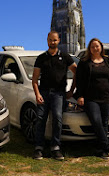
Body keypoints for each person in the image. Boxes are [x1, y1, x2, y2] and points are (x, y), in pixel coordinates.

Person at [32, 31, 77, 160]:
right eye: (50, 40)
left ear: (59, 41)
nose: (52, 42)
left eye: (55, 40)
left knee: (57, 119)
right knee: (40, 119)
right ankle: (39, 148)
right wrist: (37, 94)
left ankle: (55, 147)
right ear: (47, 41)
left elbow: (77, 73)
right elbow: (34, 79)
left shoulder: (65, 56)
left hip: (59, 93)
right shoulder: (41, 58)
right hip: (44, 93)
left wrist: (71, 90)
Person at [75, 38, 109, 159]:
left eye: (97, 46)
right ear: (90, 49)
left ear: (101, 47)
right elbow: (79, 80)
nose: (95, 48)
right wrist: (80, 95)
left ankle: (102, 150)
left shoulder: (107, 61)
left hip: (106, 97)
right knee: (96, 121)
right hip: (91, 98)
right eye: (93, 46)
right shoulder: (84, 62)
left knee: (104, 123)